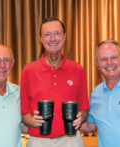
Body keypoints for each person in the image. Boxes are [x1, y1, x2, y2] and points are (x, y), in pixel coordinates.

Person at [21, 17, 89, 147]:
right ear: (41, 39)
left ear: (64, 36)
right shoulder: (29, 70)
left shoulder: (78, 69)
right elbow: (24, 115)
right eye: (47, 34)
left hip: (71, 140)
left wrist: (81, 116)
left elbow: (84, 109)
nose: (52, 39)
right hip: (38, 141)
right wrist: (33, 120)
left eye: (57, 33)